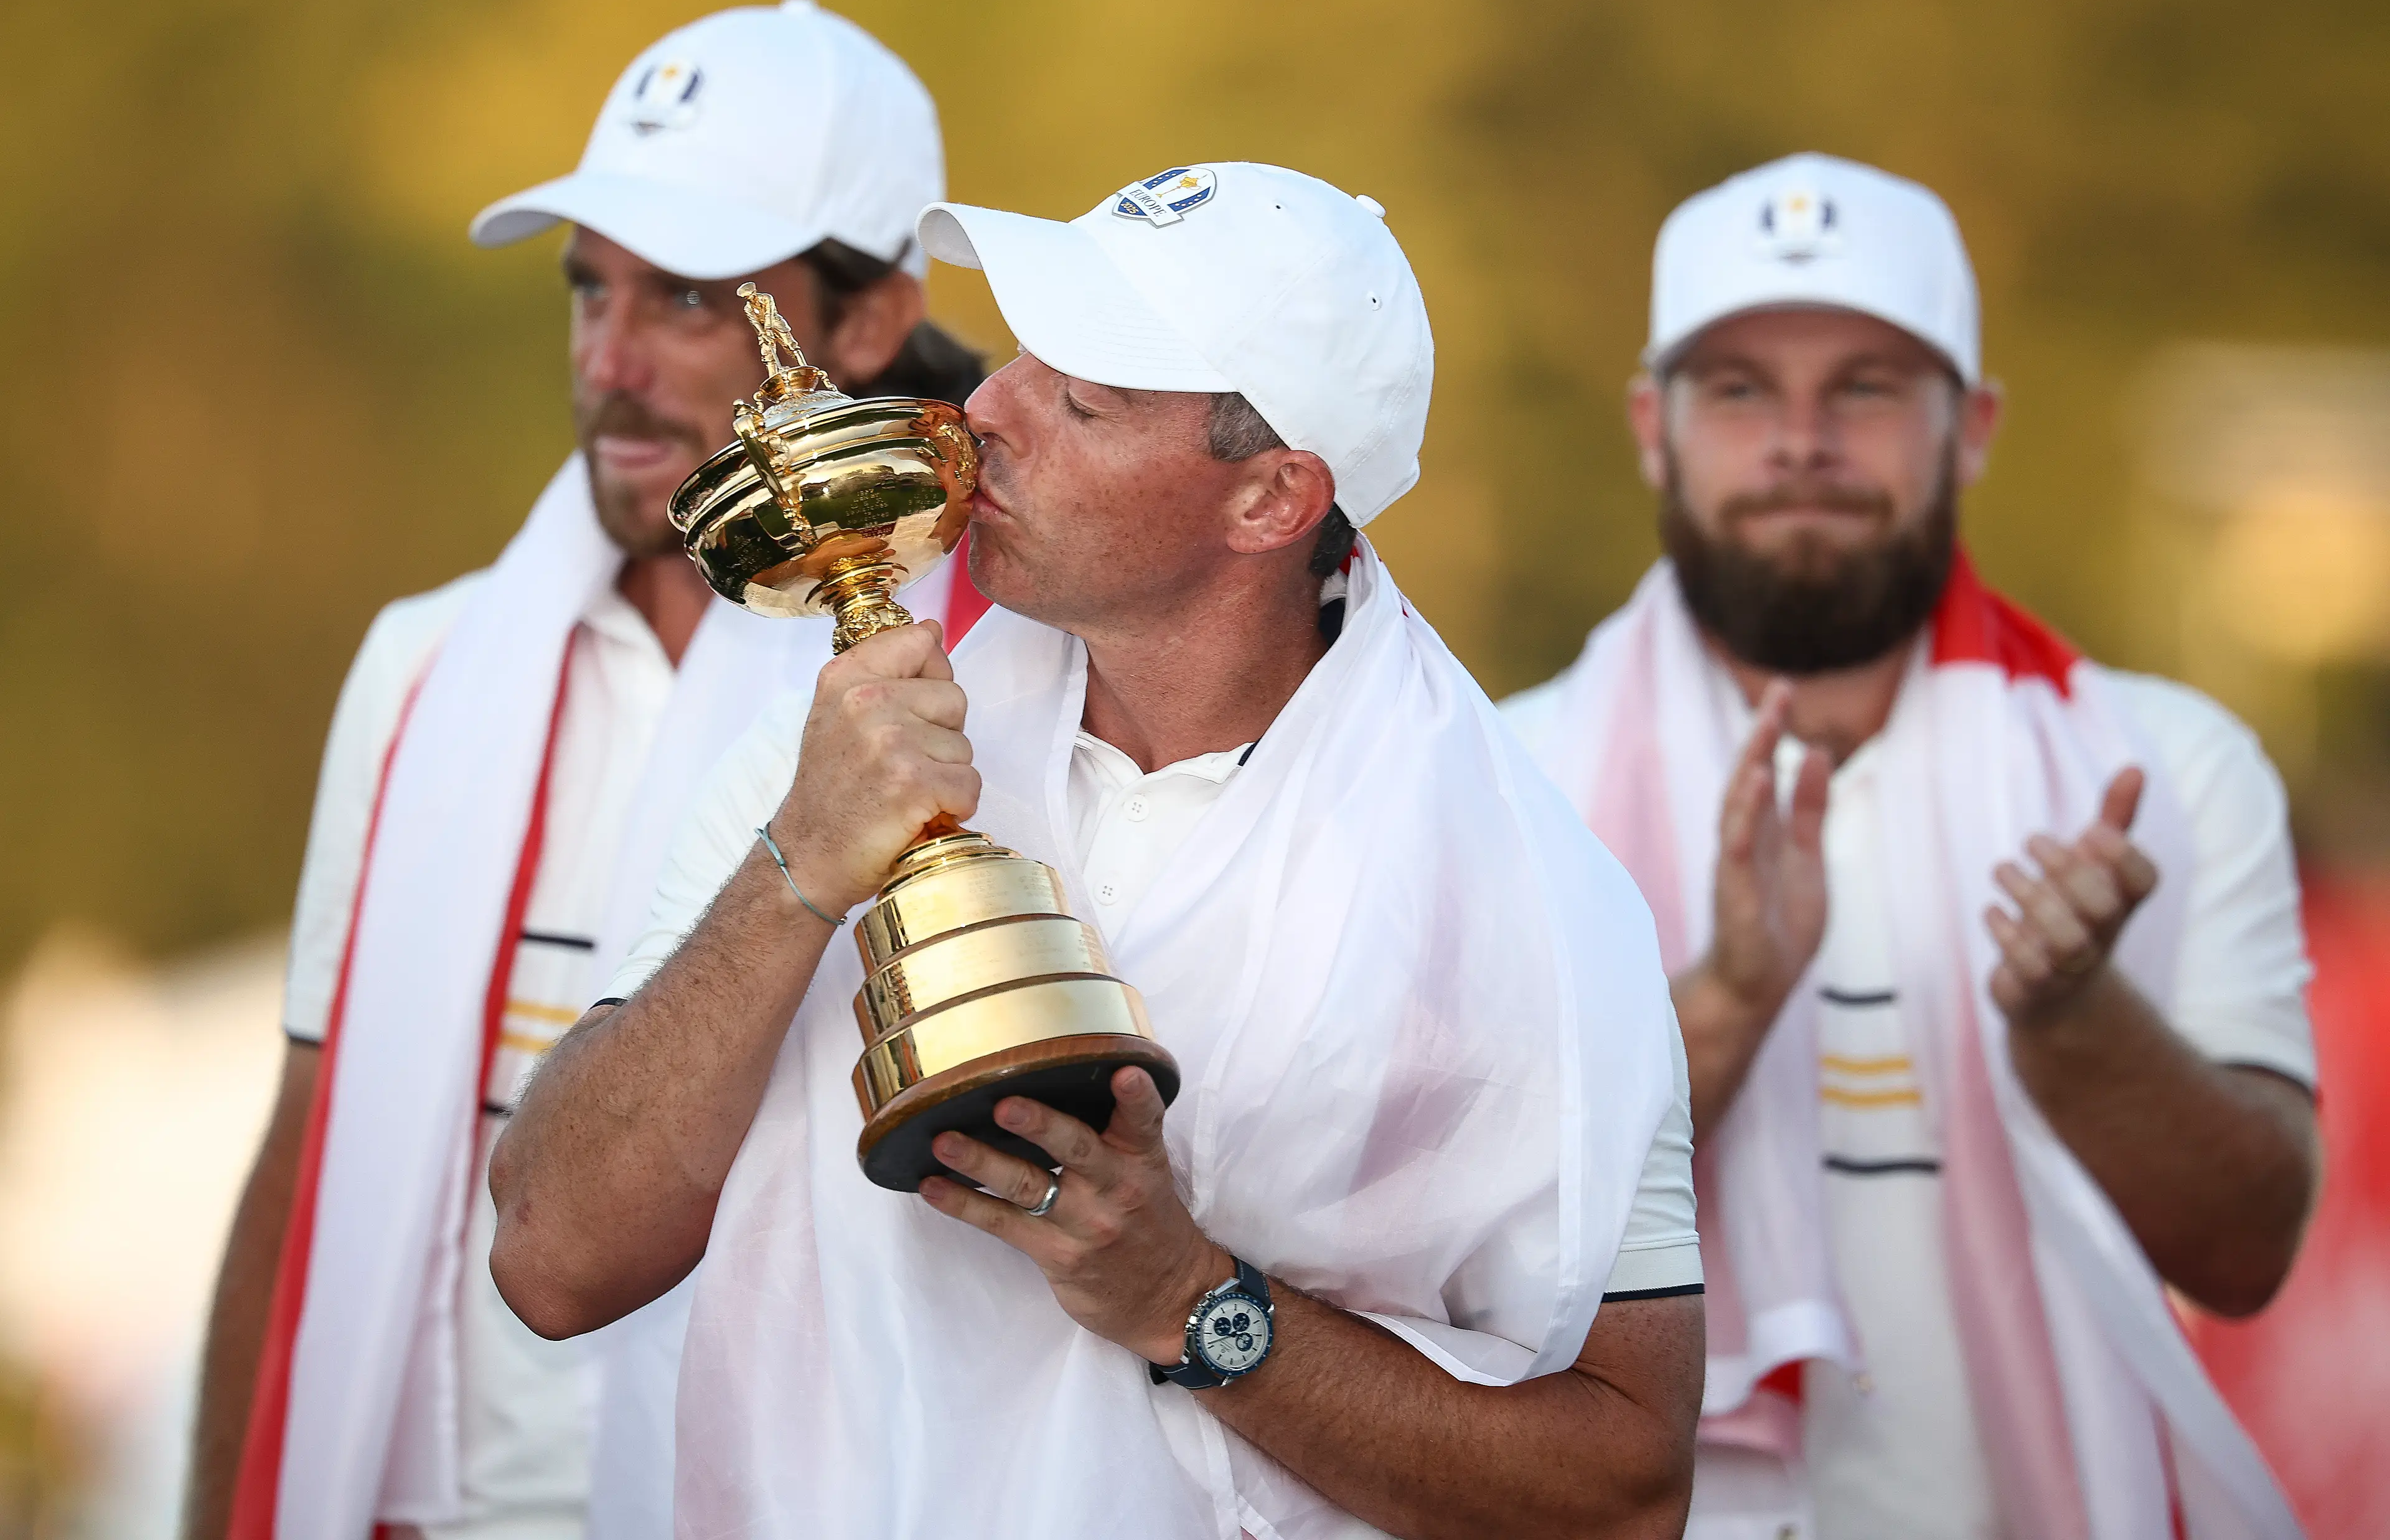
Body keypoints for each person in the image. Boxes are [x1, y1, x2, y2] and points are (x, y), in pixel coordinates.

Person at [488, 162, 1705, 1539]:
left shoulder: (1525, 900)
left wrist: (1196, 1302)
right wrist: (800, 870)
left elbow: (1627, 1487)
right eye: (1016, 354)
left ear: (1269, 499)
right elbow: (550, 1255)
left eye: (1082, 398)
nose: (983, 410)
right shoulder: (833, 747)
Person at [184, 0, 986, 1540]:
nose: (610, 362)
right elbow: (305, 1161)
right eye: (587, 290)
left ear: (878, 317)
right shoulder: (425, 673)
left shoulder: (996, 672)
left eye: (686, 298)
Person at [1501, 151, 2320, 1539]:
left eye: (1868, 387)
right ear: (1652, 423)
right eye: (1740, 387)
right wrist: (1730, 1001)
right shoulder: (1509, 772)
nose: (1802, 440)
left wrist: (2078, 1022)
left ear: (1976, 424)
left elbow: (2246, 1253)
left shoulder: (2164, 767)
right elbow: (1453, 1255)